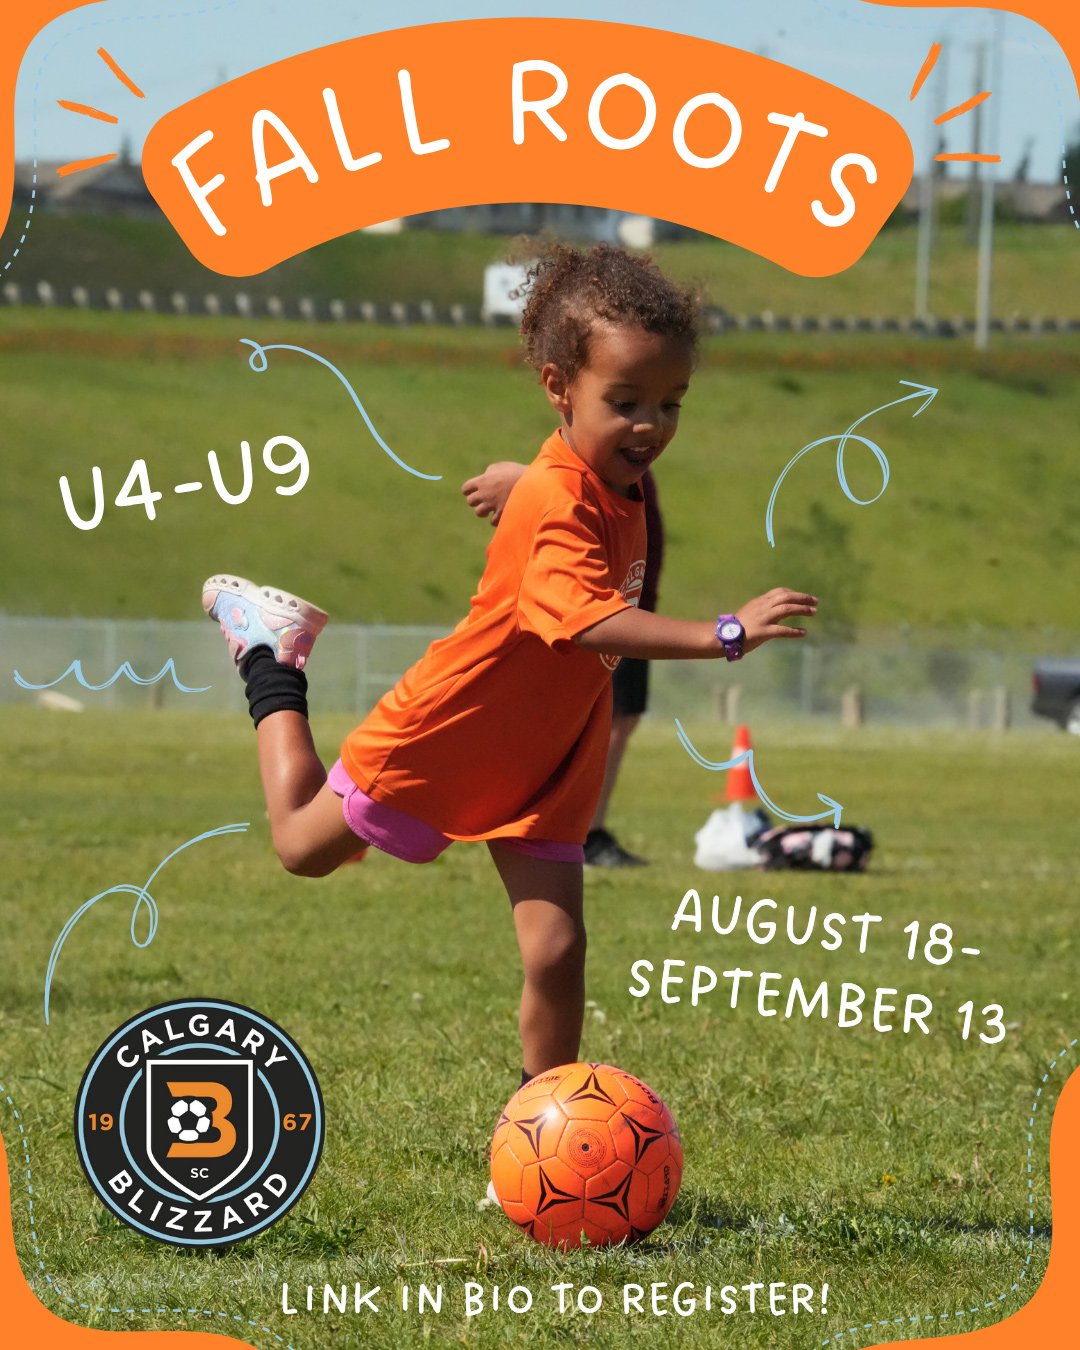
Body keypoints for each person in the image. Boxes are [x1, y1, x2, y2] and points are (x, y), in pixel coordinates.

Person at [201, 242, 817, 1086]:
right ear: (559, 388)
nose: (651, 425)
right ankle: (270, 653)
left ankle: (540, 1124)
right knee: (305, 846)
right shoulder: (563, 493)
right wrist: (725, 634)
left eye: (672, 402)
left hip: (548, 755)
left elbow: (565, 489)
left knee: (559, 949)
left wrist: (519, 477)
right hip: (458, 723)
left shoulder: (603, 474)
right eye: (627, 401)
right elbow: (589, 618)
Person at [462, 461, 664, 867]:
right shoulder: (591, 454)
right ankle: (571, 830)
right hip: (603, 609)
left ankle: (584, 829)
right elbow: (577, 484)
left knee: (620, 720)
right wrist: (527, 482)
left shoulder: (633, 459)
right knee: (596, 720)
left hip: (631, 601)